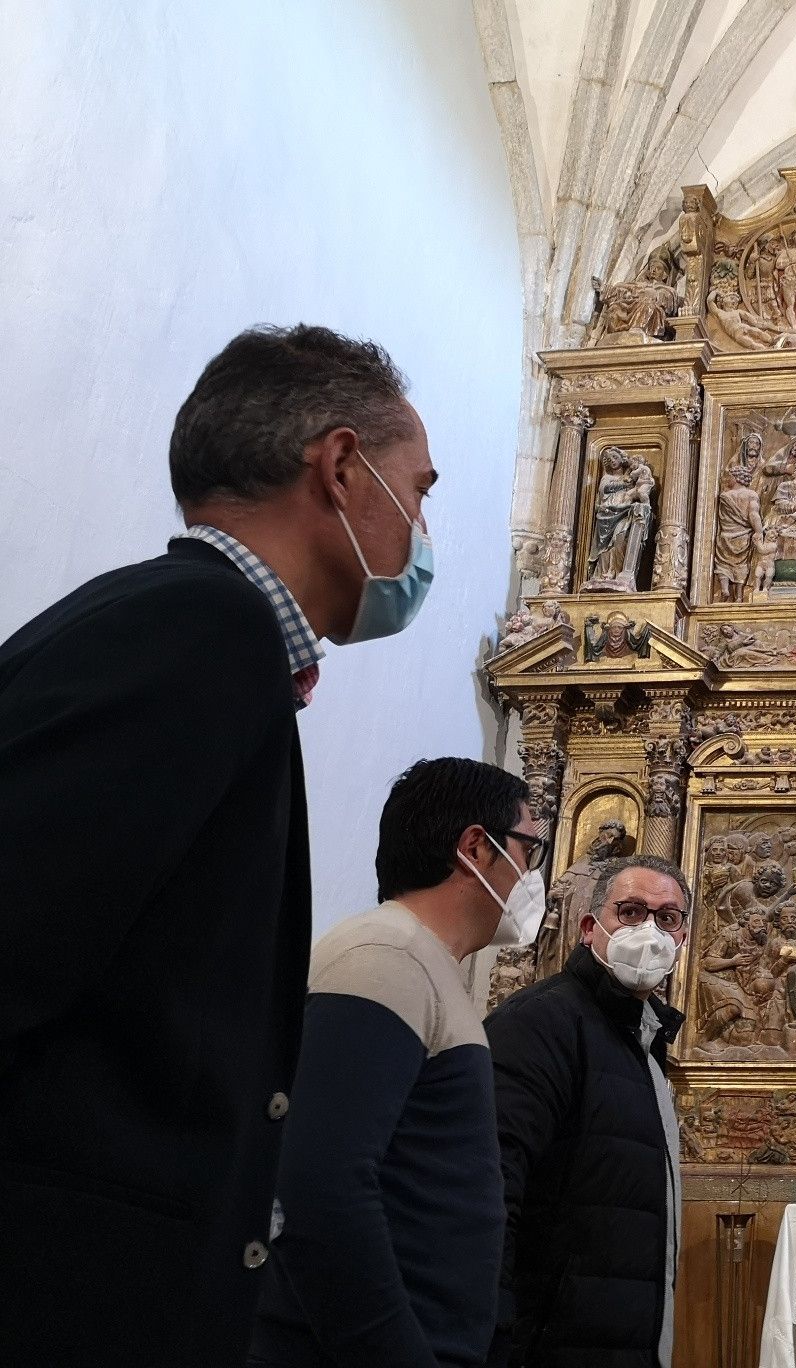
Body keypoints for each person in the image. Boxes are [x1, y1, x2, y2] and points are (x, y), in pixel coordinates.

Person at [0, 324, 435, 1367]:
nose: (423, 528)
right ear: (340, 468)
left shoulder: (186, 628)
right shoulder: (195, 634)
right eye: (418, 490)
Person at [249, 759, 545, 1367]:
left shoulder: (425, 964)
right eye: (528, 848)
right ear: (475, 848)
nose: (533, 873)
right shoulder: (384, 956)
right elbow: (319, 1183)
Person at [488, 855, 693, 1367]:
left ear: (682, 939)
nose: (649, 929)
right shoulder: (539, 1025)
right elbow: (492, 1195)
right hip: (547, 1343)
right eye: (630, 912)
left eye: (667, 918)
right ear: (589, 927)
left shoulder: (643, 1036)